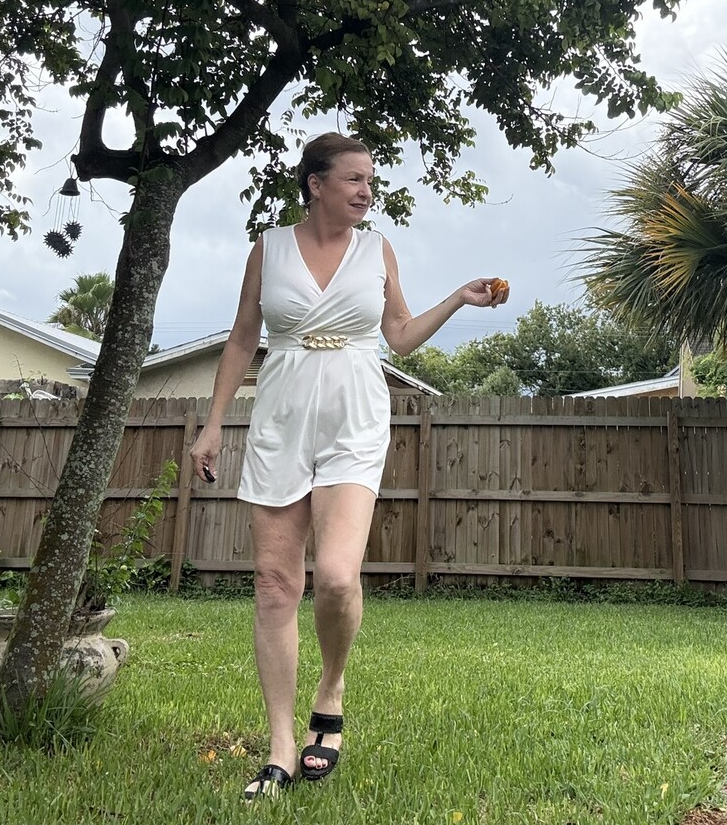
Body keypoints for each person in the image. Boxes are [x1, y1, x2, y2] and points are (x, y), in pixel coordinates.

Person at [189, 132, 509, 801]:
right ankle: (280, 748)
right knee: (275, 585)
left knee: (336, 577)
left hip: (355, 415)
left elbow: (399, 336)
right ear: (316, 183)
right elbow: (243, 338)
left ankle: (330, 689)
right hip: (282, 414)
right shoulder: (269, 248)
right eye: (355, 178)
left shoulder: (376, 248)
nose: (367, 190)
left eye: (371, 180)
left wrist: (457, 298)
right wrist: (214, 423)